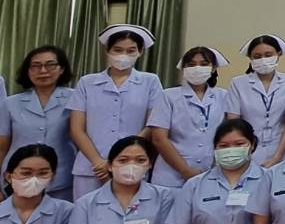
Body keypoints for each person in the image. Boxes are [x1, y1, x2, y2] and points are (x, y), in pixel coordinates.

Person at [68, 24, 165, 200]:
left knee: (130, 213)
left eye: (130, 50)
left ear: (140, 52)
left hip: (132, 165)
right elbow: (76, 129)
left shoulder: (150, 81)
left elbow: (152, 124)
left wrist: (124, 158)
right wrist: (98, 161)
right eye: (118, 50)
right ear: (108, 50)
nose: (123, 55)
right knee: (86, 212)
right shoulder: (87, 82)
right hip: (91, 167)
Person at [148, 46, 229, 188]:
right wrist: (184, 170)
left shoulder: (223, 96)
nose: (197, 68)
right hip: (170, 176)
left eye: (204, 64)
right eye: (191, 64)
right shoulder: (168, 96)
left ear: (213, 68)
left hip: (210, 172)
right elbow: (159, 138)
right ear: (183, 69)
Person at [2, 46, 76, 199]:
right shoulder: (10, 103)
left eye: (50, 65)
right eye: (35, 66)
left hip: (61, 178)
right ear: (27, 71)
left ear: (62, 69)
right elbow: (2, 148)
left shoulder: (75, 99)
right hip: (18, 178)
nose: (43, 71)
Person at [227, 34, 285, 168]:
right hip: (248, 150)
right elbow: (233, 123)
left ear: (278, 54)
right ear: (250, 58)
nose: (263, 59)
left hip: (282, 151)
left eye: (268, 55)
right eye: (257, 56)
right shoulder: (238, 83)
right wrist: (243, 152)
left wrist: (277, 157)